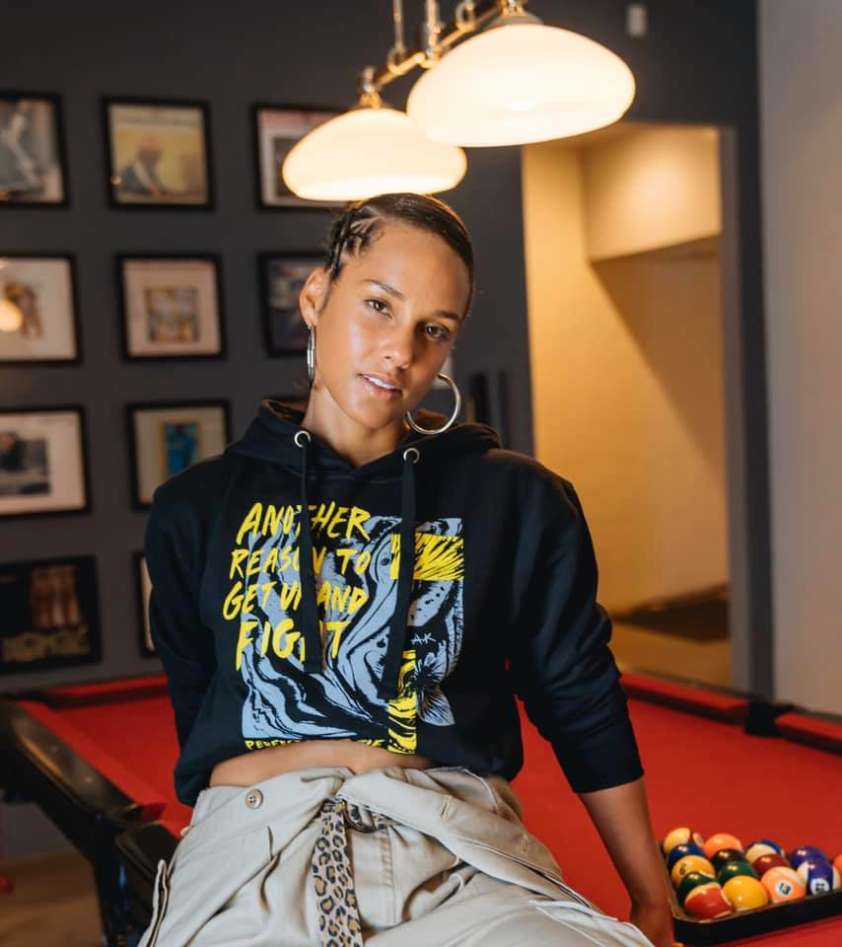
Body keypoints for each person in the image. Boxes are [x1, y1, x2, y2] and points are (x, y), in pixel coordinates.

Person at [139, 192, 675, 947]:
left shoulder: (514, 498)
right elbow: (202, 715)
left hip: (453, 852)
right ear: (316, 297)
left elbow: (580, 696)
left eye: (434, 329)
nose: (401, 351)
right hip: (249, 858)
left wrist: (651, 899)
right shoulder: (195, 508)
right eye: (379, 305)